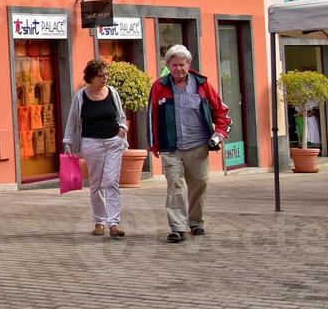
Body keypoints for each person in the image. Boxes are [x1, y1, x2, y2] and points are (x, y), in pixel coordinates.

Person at [150, 45, 231, 244]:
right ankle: (177, 228)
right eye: (174, 64)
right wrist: (154, 145)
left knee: (199, 184)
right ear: (167, 65)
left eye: (182, 64)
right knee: (175, 186)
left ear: (189, 65)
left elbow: (222, 112)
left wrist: (219, 134)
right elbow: (152, 117)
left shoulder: (202, 85)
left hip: (198, 145)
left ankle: (196, 221)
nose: (178, 68)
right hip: (172, 147)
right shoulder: (160, 86)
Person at [62, 60, 130, 238]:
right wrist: (67, 142)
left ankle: (114, 224)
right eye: (101, 75)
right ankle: (99, 222)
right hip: (92, 143)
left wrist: (123, 128)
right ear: (91, 77)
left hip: (114, 141)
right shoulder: (80, 97)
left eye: (107, 74)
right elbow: (73, 121)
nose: (105, 78)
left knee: (111, 181)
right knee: (97, 184)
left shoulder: (113, 92)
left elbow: (121, 116)